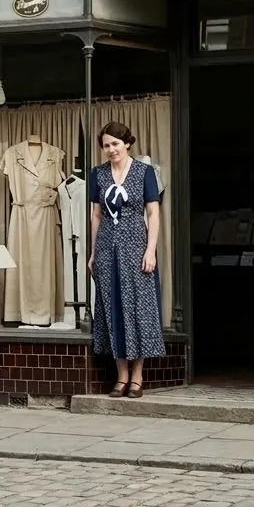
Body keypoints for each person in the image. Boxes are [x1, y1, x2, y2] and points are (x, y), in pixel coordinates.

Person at [87, 121, 164, 399]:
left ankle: (137, 376)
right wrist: (94, 252)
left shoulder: (144, 172)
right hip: (107, 247)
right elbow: (96, 215)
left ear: (127, 143)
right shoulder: (98, 174)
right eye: (106, 145)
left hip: (136, 246)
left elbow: (153, 214)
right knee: (113, 308)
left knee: (138, 308)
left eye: (115, 144)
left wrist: (151, 250)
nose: (111, 150)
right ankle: (120, 376)